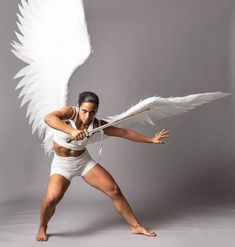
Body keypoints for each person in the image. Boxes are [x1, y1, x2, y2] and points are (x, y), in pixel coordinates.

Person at [36, 91, 170, 241]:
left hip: (83, 161)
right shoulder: (69, 112)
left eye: (92, 112)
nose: (87, 116)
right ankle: (42, 226)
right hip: (62, 164)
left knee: (114, 190)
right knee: (51, 199)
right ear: (78, 106)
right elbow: (48, 118)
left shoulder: (97, 124)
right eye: (84, 111)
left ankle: (136, 226)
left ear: (96, 111)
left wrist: (150, 139)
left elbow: (124, 132)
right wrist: (72, 130)